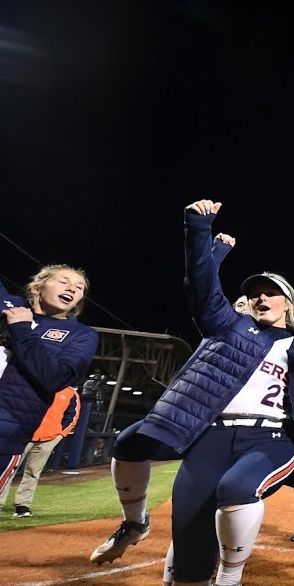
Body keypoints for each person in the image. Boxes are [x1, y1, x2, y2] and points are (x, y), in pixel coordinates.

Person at [126, 198, 294, 586]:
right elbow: (201, 288)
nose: (261, 298)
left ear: (291, 307)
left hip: (270, 439)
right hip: (210, 439)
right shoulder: (229, 328)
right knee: (189, 564)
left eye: (272, 294)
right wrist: (200, 230)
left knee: (237, 489)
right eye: (254, 292)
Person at [0, 171, 97, 586]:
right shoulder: (1, 302)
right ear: (39, 285)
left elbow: (56, 377)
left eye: (79, 288)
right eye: (64, 281)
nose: (73, 289)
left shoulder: (79, 336)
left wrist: (23, 331)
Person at [88, 232, 237, 565]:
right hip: (187, 415)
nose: (239, 308)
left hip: (226, 427)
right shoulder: (217, 329)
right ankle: (135, 522)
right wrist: (216, 252)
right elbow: (202, 289)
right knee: (128, 444)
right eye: (235, 305)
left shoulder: (265, 343)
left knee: (197, 510)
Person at [0, 385, 79, 518]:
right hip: (23, 435)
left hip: (49, 438)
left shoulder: (70, 392)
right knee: (8, 470)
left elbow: (72, 416)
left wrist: (60, 434)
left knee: (33, 472)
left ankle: (23, 505)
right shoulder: (34, 384)